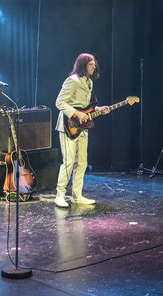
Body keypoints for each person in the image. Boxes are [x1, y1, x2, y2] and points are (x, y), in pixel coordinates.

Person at [53, 53, 110, 208]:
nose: (94, 66)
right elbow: (59, 102)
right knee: (69, 161)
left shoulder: (89, 82)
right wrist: (76, 113)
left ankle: (77, 195)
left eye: (94, 64)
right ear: (83, 65)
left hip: (83, 127)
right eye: (91, 64)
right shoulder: (72, 81)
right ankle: (59, 195)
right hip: (67, 125)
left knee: (82, 162)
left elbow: (85, 107)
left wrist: (98, 109)